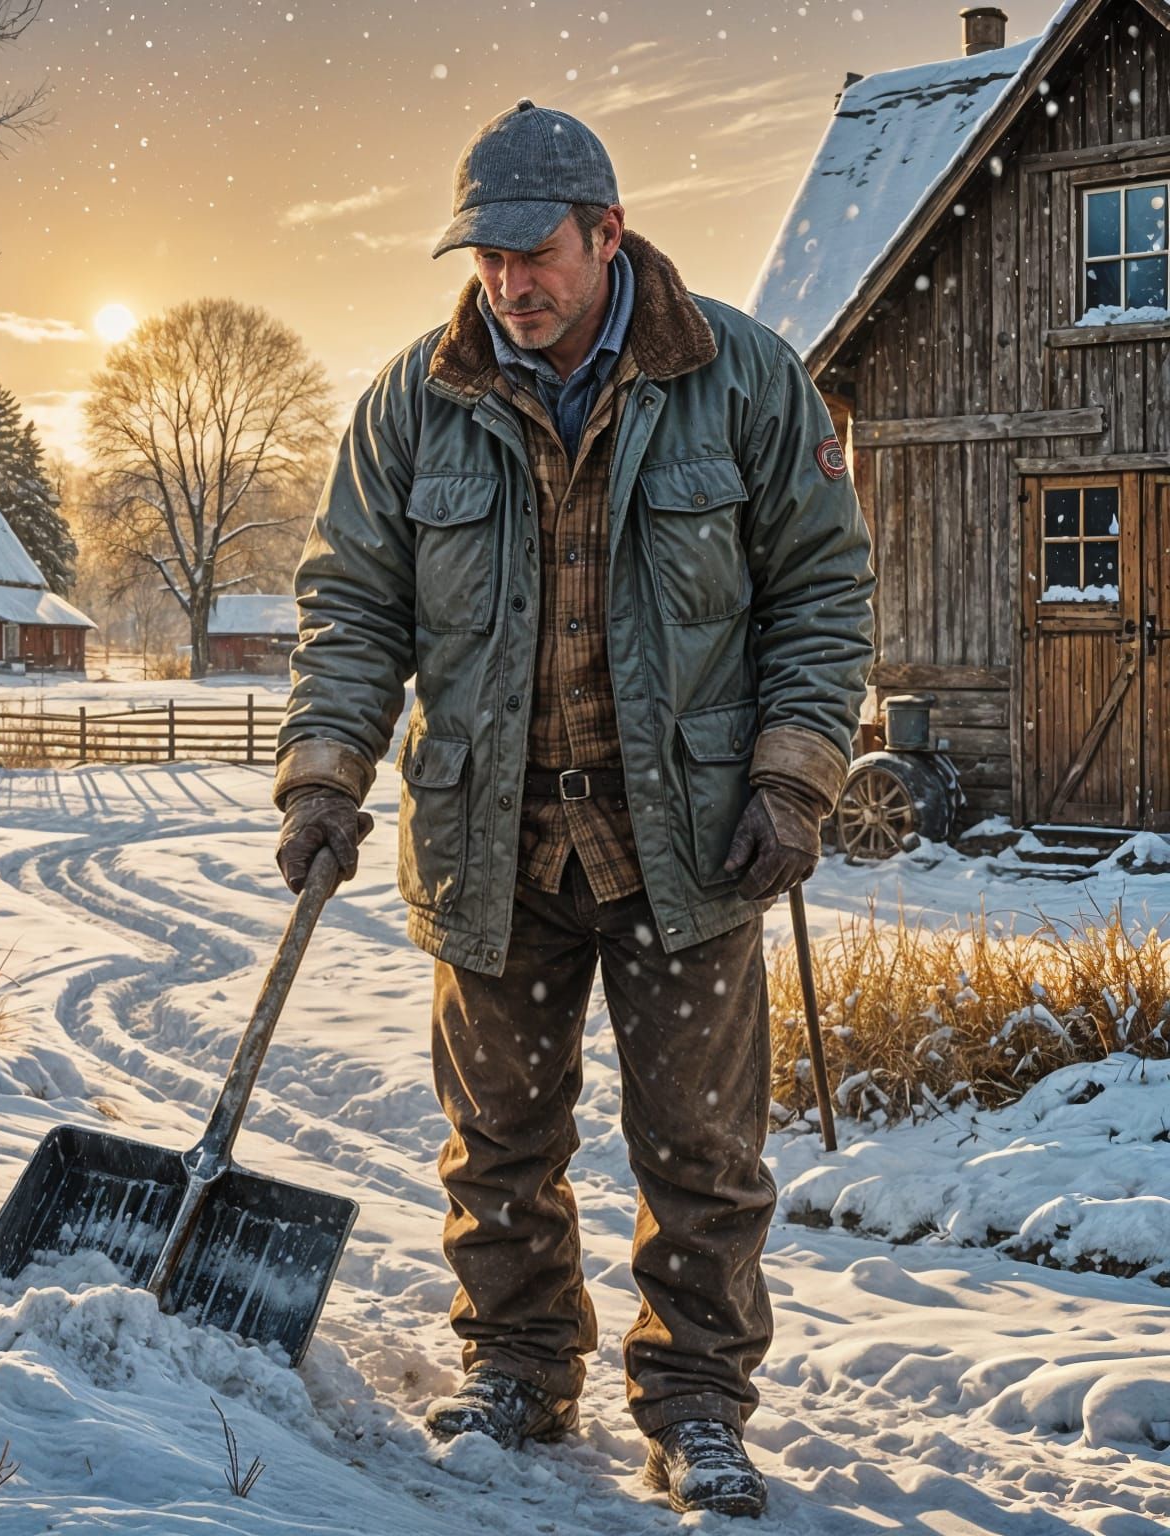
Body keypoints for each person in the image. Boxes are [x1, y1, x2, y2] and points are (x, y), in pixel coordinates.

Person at [273, 99, 874, 1519]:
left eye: (532, 252)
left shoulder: (742, 379)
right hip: (492, 836)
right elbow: (352, 610)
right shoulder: (414, 404)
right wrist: (323, 775)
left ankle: (698, 1404)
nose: (507, 283)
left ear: (608, 233)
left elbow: (822, 595)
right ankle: (520, 1368)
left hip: (691, 841)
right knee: (498, 1145)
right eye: (483, 257)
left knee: (703, 1153)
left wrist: (794, 775)